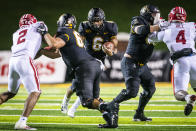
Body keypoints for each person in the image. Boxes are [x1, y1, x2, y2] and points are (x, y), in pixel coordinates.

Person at [36, 13, 119, 128]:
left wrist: (44, 32)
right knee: (95, 100)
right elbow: (56, 54)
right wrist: (42, 52)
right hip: (94, 65)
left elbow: (54, 44)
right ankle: (110, 120)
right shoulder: (73, 33)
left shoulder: (64, 32)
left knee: (87, 101)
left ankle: (110, 106)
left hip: (84, 67)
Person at [108, 4, 162, 122]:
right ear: (148, 14)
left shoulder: (155, 24)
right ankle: (112, 104)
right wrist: (158, 27)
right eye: (154, 14)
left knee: (150, 88)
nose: (157, 17)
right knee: (132, 92)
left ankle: (139, 113)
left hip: (142, 65)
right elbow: (141, 30)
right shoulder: (137, 20)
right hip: (130, 62)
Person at [61, 7, 118, 118]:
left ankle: (72, 108)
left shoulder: (110, 26)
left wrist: (111, 47)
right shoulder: (84, 26)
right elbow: (80, 43)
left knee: (87, 89)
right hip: (85, 59)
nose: (96, 23)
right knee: (74, 86)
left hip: (99, 61)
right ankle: (65, 103)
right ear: (89, 20)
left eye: (98, 20)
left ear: (103, 19)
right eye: (93, 20)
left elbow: (114, 42)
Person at [0, 14, 47, 130]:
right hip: (25, 59)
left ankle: (22, 122)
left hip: (13, 60)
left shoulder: (16, 33)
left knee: (11, 92)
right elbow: (47, 40)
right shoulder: (38, 24)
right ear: (33, 21)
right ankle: (22, 122)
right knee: (35, 92)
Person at [148, 6, 196, 116]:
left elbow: (150, 38)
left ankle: (189, 97)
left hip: (180, 61)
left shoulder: (166, 30)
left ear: (171, 16)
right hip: (194, 58)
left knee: (179, 93)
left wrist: (157, 25)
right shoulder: (192, 26)